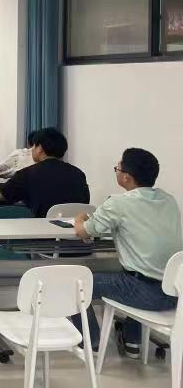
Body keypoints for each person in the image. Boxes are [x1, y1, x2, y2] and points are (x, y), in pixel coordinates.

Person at [72, 148, 182, 359]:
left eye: (117, 168)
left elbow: (84, 231)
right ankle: (132, 341)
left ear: (126, 177)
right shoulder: (168, 200)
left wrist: (79, 218)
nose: (116, 171)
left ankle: (91, 342)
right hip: (175, 292)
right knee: (134, 270)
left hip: (145, 293)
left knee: (76, 283)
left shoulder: (118, 203)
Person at [0, 127, 89, 217]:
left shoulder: (28, 173)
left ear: (40, 148)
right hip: (75, 227)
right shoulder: (78, 174)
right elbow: (85, 201)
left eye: (34, 146)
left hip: (40, 227)